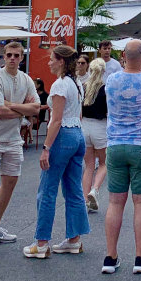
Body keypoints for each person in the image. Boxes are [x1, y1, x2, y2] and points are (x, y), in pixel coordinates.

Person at [24, 45, 90, 259]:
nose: (49, 62)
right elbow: (77, 115)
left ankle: (41, 242)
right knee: (73, 189)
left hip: (63, 136)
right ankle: (74, 238)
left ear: (61, 61)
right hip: (78, 134)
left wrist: (46, 148)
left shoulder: (60, 85)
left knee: (47, 190)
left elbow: (56, 120)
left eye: (52, 59)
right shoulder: (76, 82)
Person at [0, 41, 39, 252]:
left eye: (16, 55)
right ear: (3, 57)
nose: (12, 58)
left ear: (22, 58)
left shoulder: (26, 79)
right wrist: (23, 110)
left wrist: (10, 105)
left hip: (13, 139)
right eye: (9, 55)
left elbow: (36, 108)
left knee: (10, 181)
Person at [101, 40, 141, 275]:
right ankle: (140, 257)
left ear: (123, 55)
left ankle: (110, 256)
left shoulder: (112, 80)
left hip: (115, 144)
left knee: (115, 202)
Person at [81, 58, 109, 214]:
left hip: (85, 126)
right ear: (103, 71)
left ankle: (85, 199)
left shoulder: (83, 87)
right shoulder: (105, 89)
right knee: (104, 163)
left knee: (89, 166)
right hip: (100, 126)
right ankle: (95, 190)